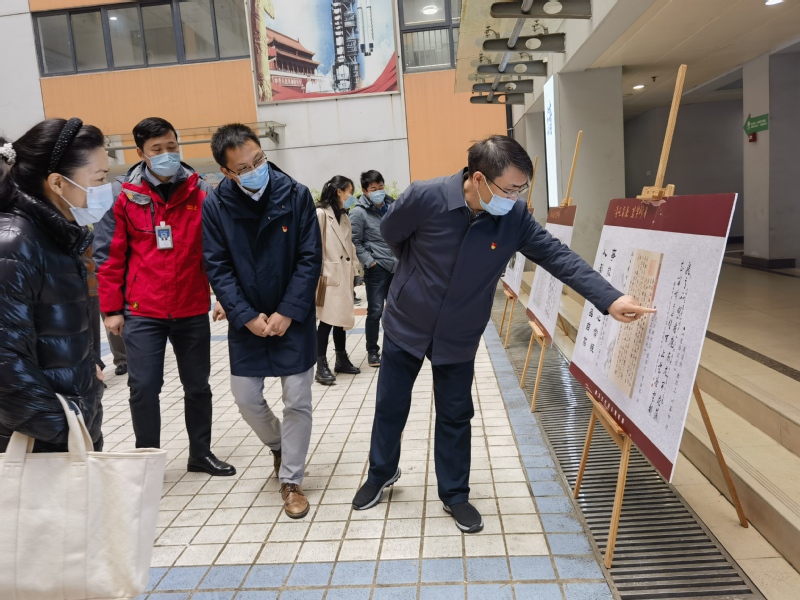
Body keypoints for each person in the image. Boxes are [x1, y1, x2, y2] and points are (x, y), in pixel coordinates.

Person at [352, 136, 656, 533]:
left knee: (456, 413)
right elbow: (393, 234)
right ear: (479, 179)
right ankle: (381, 473)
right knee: (391, 403)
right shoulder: (424, 197)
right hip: (407, 320)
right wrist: (414, 279)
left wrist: (609, 297)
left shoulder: (514, 218)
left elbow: (557, 256)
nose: (515, 198)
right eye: (510, 189)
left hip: (460, 331)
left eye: (521, 189)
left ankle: (455, 493)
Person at [96, 117, 234, 477]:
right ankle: (148, 460)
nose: (167, 154)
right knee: (143, 386)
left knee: (198, 386)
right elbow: (109, 256)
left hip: (191, 307)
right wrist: (111, 309)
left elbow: (218, 250)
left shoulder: (201, 192)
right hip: (143, 310)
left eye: (172, 146)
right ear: (141, 153)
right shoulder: (124, 196)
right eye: (157, 149)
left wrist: (223, 295)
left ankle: (200, 454)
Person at [202, 123, 322, 519]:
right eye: (243, 167)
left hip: (293, 316)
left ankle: (291, 479)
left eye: (259, 160)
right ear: (226, 172)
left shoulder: (296, 194)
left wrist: (288, 311)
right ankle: (279, 445)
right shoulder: (215, 206)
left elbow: (309, 257)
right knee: (246, 398)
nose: (255, 170)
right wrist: (245, 315)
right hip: (248, 319)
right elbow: (217, 266)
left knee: (298, 400)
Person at [0, 118, 107, 452]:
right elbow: (5, 363)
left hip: (71, 427)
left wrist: (89, 391)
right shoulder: (15, 244)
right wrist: (65, 428)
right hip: (40, 442)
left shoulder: (57, 235)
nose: (106, 188)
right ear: (58, 183)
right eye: (99, 178)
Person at [314, 175, 361, 385]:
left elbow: (350, 247)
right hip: (328, 275)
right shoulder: (321, 214)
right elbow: (313, 247)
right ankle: (320, 365)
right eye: (349, 191)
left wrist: (356, 271)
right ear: (339, 192)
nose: (351, 196)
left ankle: (341, 359)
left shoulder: (344, 216)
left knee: (340, 320)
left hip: (343, 274)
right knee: (326, 321)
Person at [350, 170, 398, 367]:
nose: (378, 191)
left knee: (395, 311)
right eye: (373, 189)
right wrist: (370, 262)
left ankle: (394, 349)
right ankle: (372, 352)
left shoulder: (392, 206)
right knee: (375, 311)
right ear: (364, 191)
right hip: (376, 268)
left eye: (381, 187)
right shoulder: (358, 212)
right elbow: (355, 241)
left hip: (396, 266)